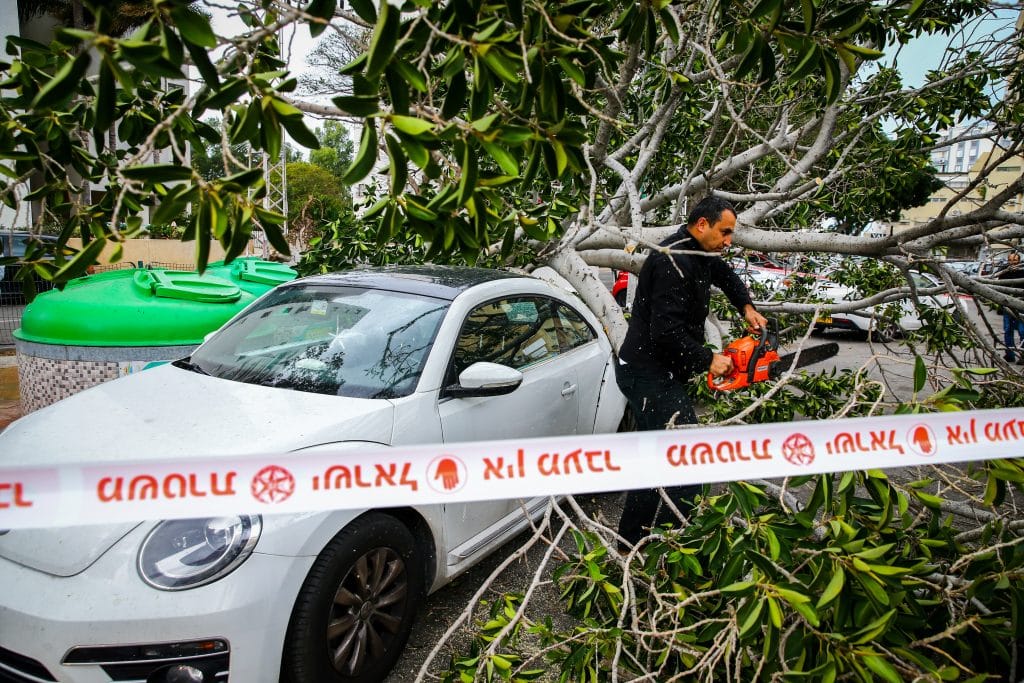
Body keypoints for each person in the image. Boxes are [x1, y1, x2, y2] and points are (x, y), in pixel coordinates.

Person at [615, 196, 768, 550]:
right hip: (647, 373)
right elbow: (665, 333)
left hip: (659, 371)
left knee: (655, 457)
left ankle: (631, 542)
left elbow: (725, 275)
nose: (728, 240)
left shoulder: (700, 251)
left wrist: (746, 306)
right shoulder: (672, 262)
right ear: (702, 225)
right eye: (724, 232)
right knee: (686, 460)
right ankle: (677, 547)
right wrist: (708, 359)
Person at [997, 251, 1024, 363]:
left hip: (1021, 306)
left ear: (1019, 261)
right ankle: (1009, 354)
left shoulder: (1022, 272)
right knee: (1008, 330)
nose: (1012, 262)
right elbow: (998, 288)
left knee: (1022, 331)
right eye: (1010, 260)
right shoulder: (1004, 273)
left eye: (1015, 260)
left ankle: (1023, 355)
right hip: (1007, 305)